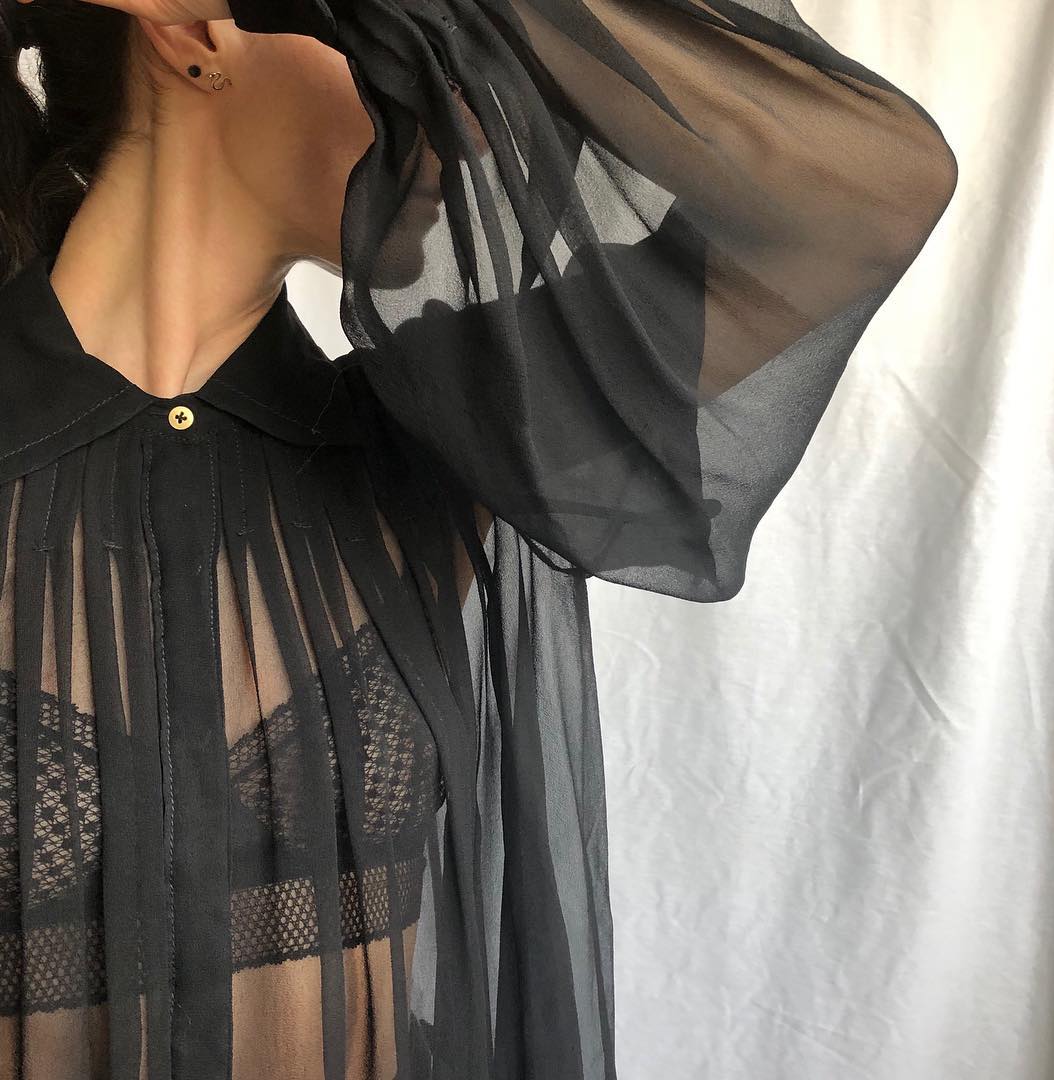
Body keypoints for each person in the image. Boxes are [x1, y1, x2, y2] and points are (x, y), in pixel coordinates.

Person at [0, 0, 958, 1075]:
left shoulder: (435, 448)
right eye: (408, 48)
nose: (481, 125)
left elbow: (868, 192)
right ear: (192, 32)